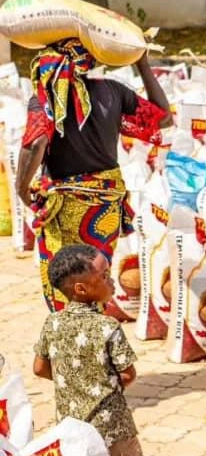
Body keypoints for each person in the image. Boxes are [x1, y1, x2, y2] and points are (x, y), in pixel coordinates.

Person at [16, 39, 173, 311]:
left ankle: (70, 341)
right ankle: (96, 336)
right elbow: (163, 119)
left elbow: (36, 143)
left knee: (65, 287)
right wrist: (142, 64)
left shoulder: (46, 99)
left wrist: (21, 188)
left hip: (63, 209)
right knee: (96, 281)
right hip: (104, 210)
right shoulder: (112, 90)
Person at [33, 244, 156, 456]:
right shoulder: (107, 327)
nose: (111, 280)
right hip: (114, 430)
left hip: (72, 430)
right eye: (104, 276)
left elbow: (39, 368)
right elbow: (128, 374)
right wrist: (100, 384)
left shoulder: (52, 324)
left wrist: (74, 380)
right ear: (81, 289)